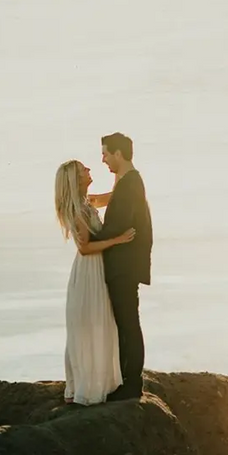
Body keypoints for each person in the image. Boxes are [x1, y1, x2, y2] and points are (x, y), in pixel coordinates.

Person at [54, 159, 136, 406]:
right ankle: (87, 387)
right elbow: (85, 248)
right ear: (76, 179)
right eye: (84, 170)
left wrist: (122, 171)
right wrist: (118, 240)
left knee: (97, 323)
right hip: (90, 270)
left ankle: (90, 382)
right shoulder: (78, 210)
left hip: (96, 269)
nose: (89, 170)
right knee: (91, 324)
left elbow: (112, 197)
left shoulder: (87, 202)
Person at [85, 132, 153, 401]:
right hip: (125, 265)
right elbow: (110, 199)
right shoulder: (127, 181)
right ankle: (129, 381)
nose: (102, 159)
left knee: (128, 324)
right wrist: (85, 201)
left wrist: (87, 240)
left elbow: (117, 225)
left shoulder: (130, 184)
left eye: (105, 153)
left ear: (118, 153)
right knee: (126, 324)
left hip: (124, 266)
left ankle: (132, 385)